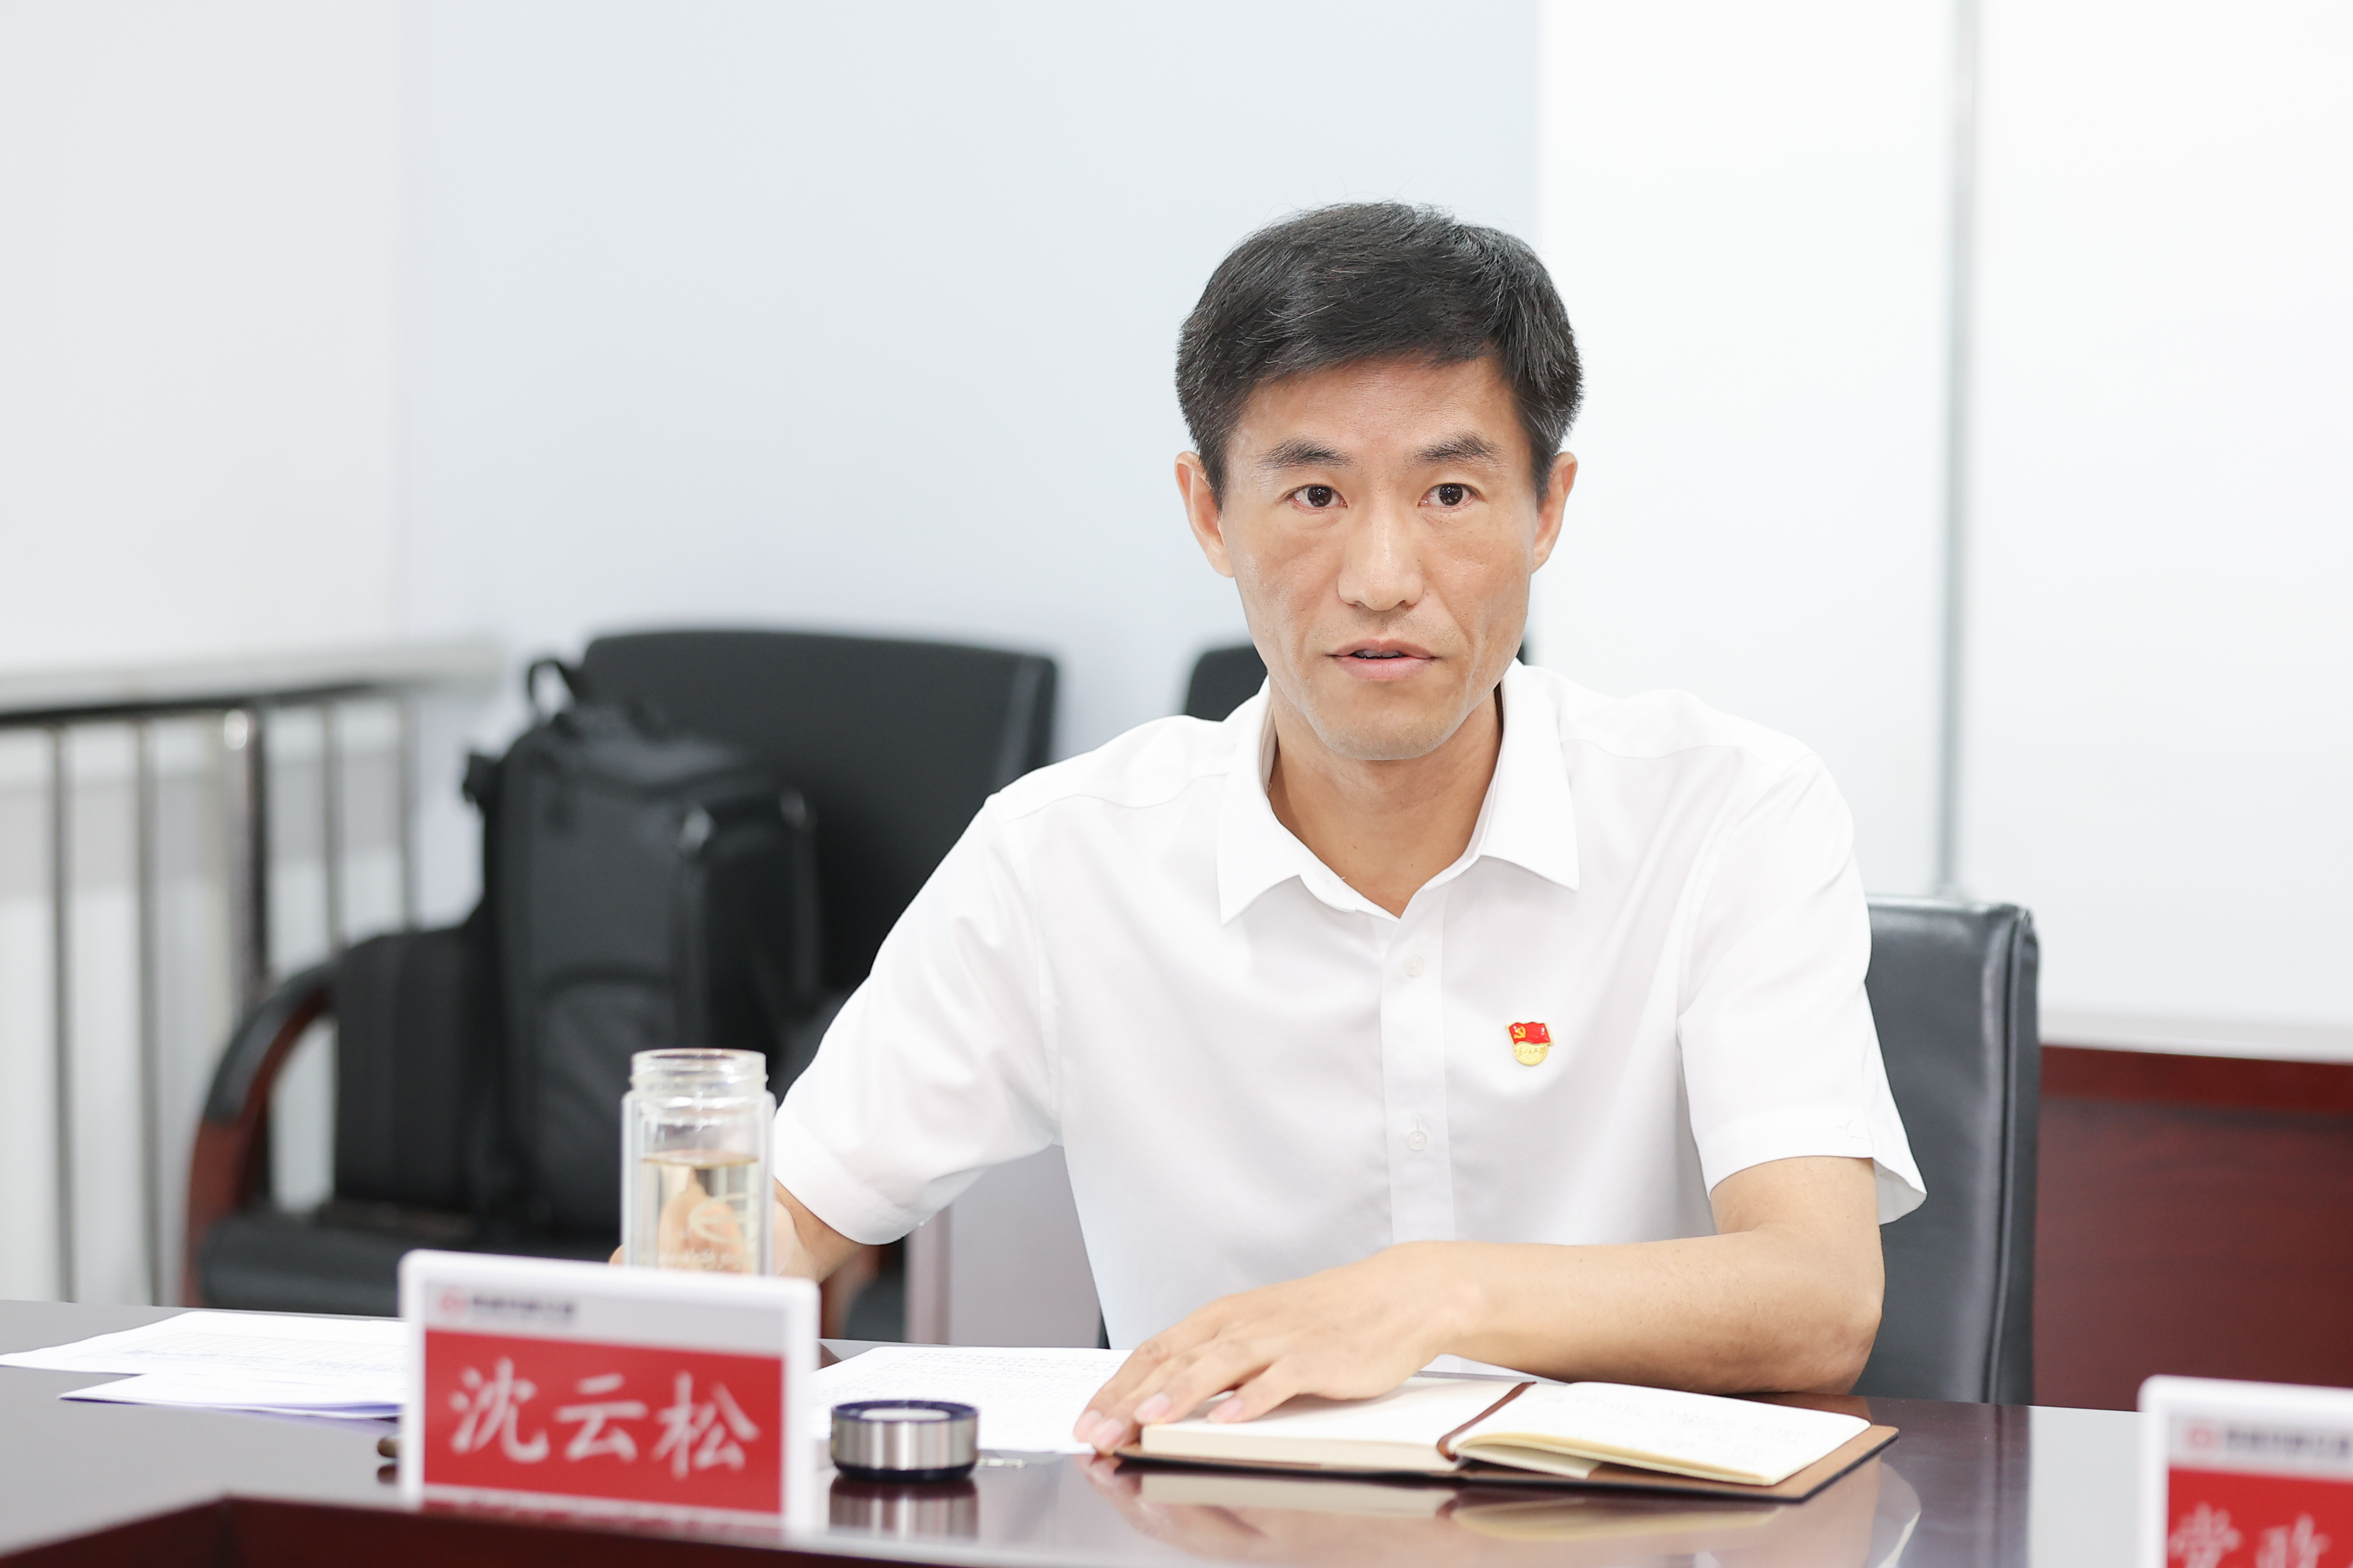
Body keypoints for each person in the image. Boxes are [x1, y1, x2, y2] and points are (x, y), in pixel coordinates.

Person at [767, 202, 1923, 1455]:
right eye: (1314, 491)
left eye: (1450, 491)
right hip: (1213, 1529)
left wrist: (1430, 1295)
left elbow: (1819, 1295)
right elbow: (773, 1221)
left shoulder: (1728, 813)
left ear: (1546, 509)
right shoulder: (1060, 858)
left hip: (1620, 1527)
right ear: (1210, 512)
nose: (1382, 577)